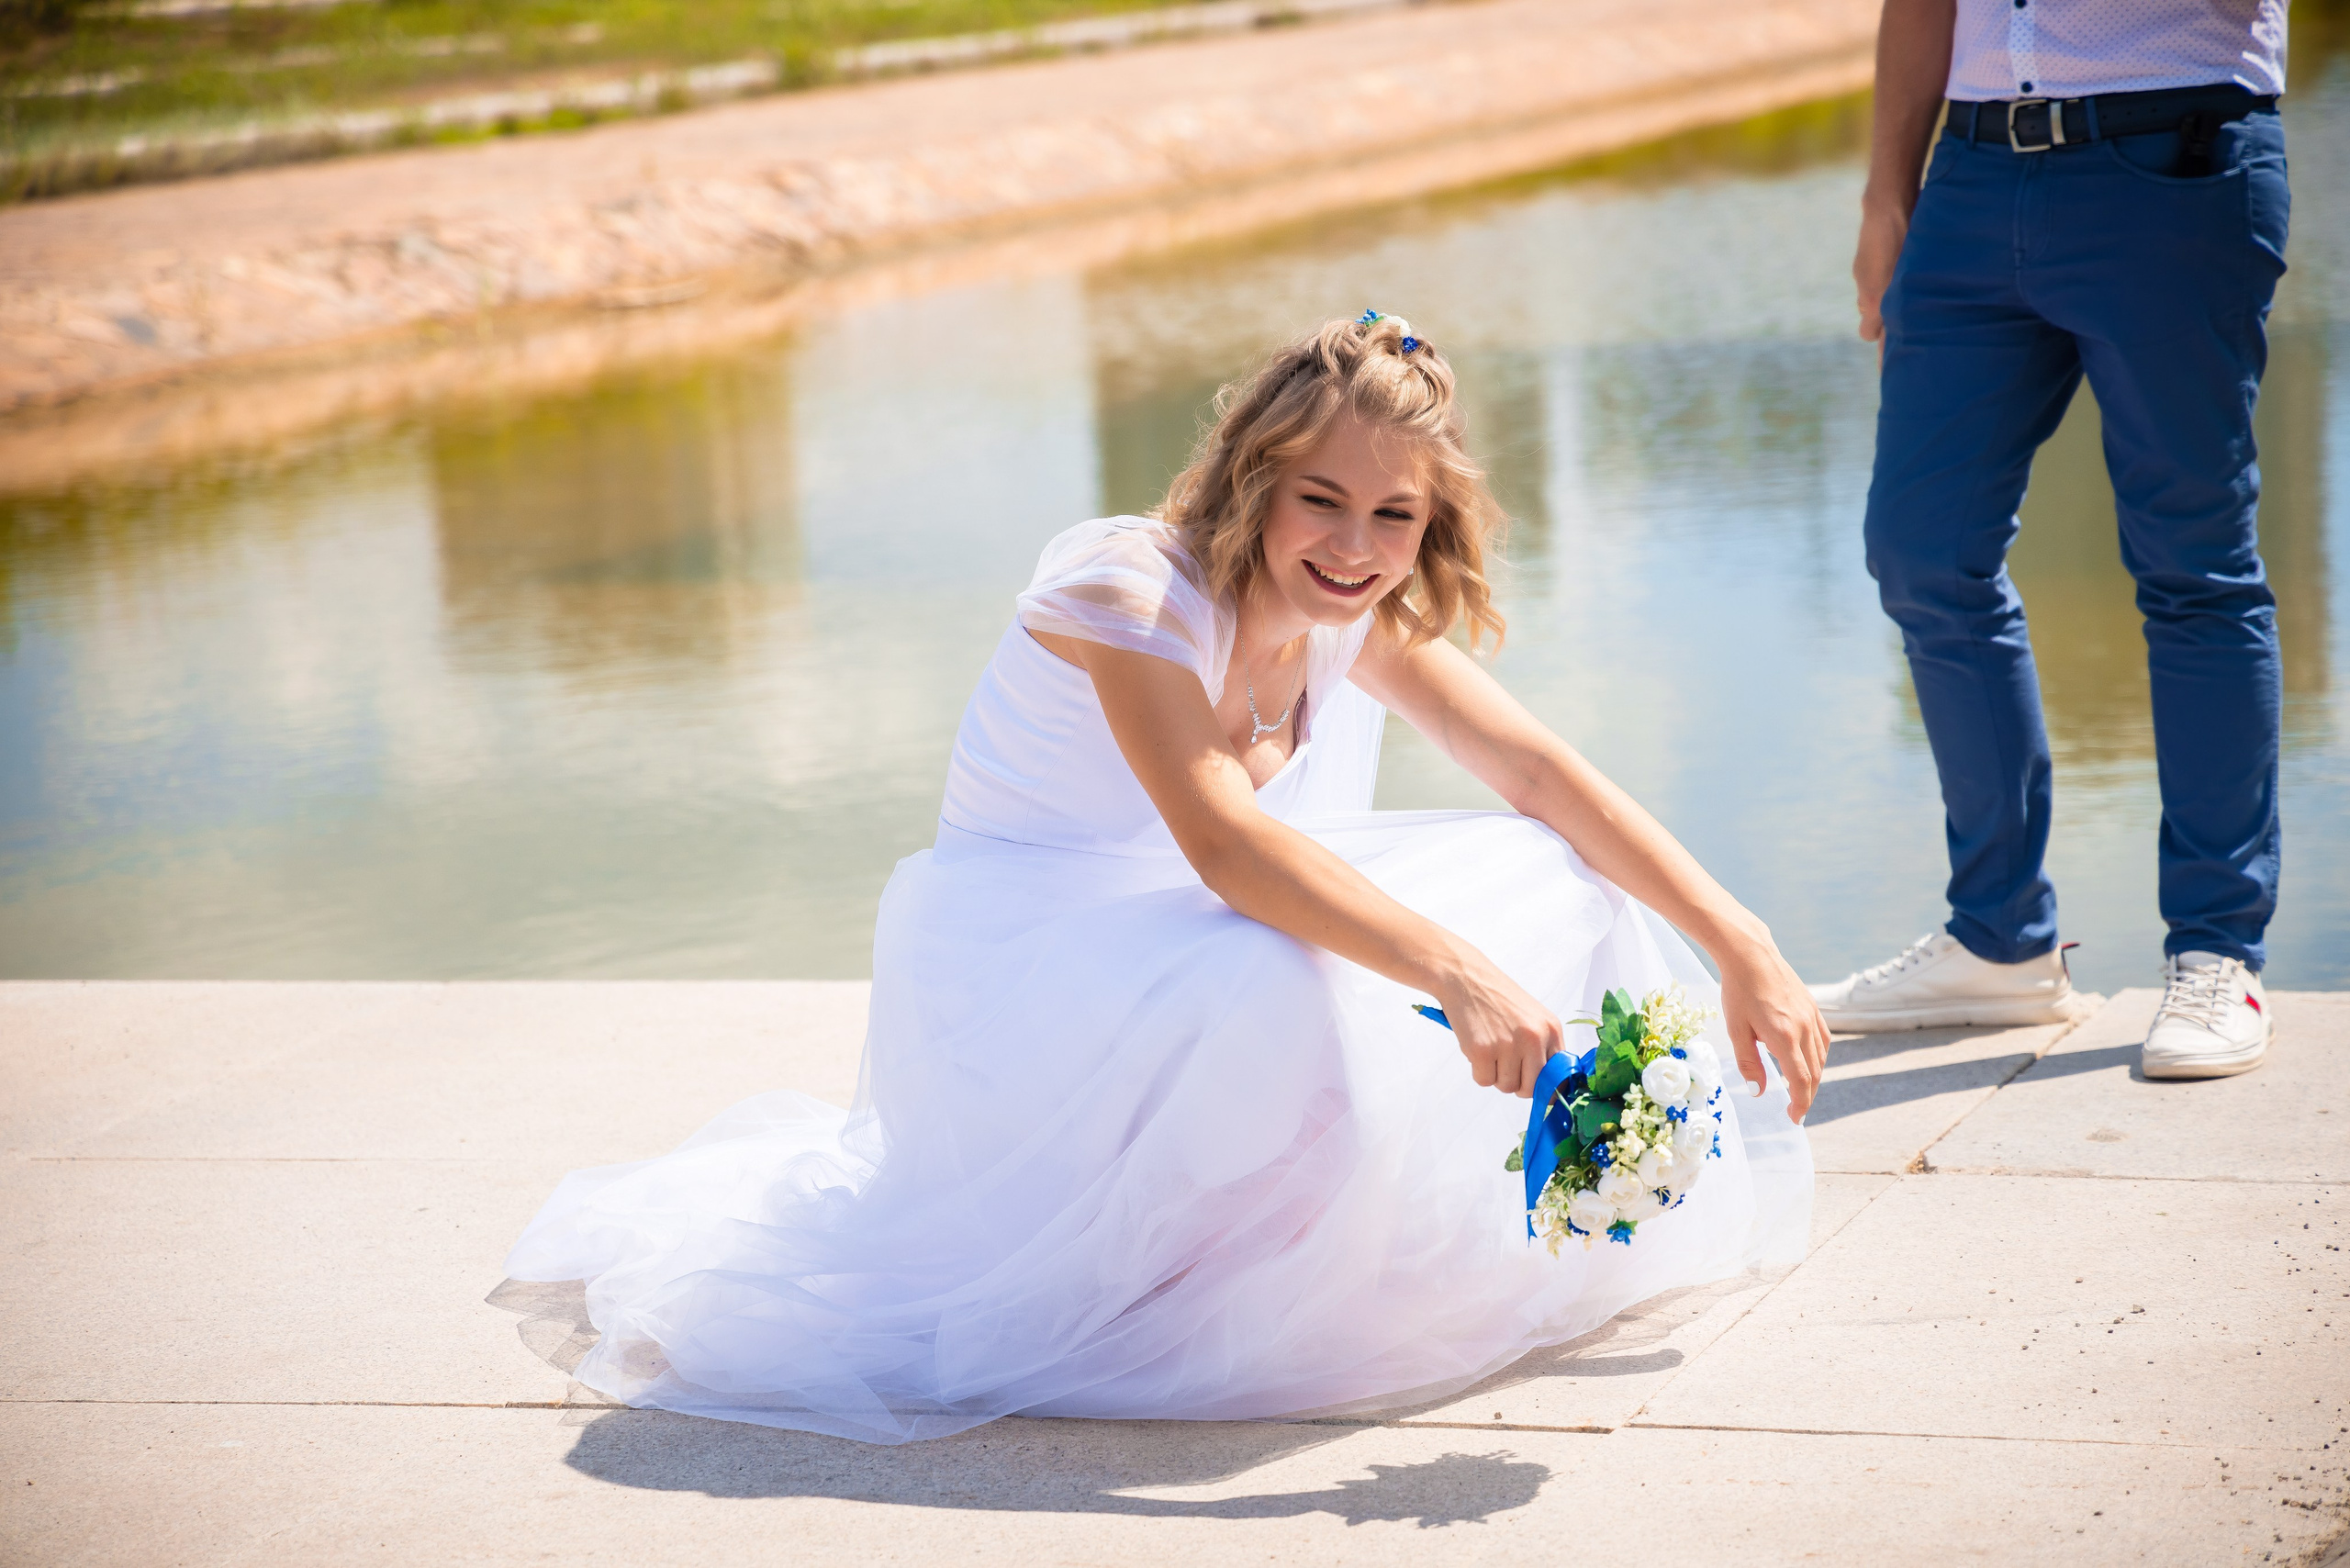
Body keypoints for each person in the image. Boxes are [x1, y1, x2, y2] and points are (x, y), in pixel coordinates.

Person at [506, 314, 1823, 1444]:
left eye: (1394, 515)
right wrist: (1457, 974)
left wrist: (1736, 938)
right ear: (1255, 478)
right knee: (1291, 952)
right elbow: (1225, 847)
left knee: (1551, 870)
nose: (1356, 547)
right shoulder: (1127, 589)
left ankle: (1467, 1203)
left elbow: (1535, 771)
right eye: (1323, 500)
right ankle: (1179, 1256)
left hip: (1182, 933)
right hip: (1027, 962)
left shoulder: (1347, 608)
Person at [1810, 0, 2290, 1079]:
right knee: (1921, 548)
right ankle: (1999, 940)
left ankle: (2219, 949)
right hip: (1975, 175)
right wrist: (1887, 194)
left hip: (2174, 156)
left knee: (2194, 568)